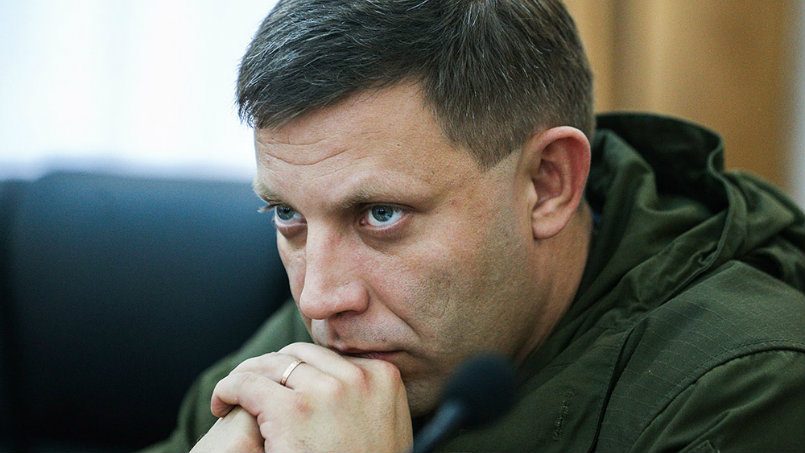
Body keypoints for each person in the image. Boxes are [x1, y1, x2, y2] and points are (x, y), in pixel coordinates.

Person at [142, 1, 805, 452]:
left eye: (381, 214)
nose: (317, 297)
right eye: (287, 213)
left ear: (547, 184)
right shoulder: (356, 323)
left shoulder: (746, 392)